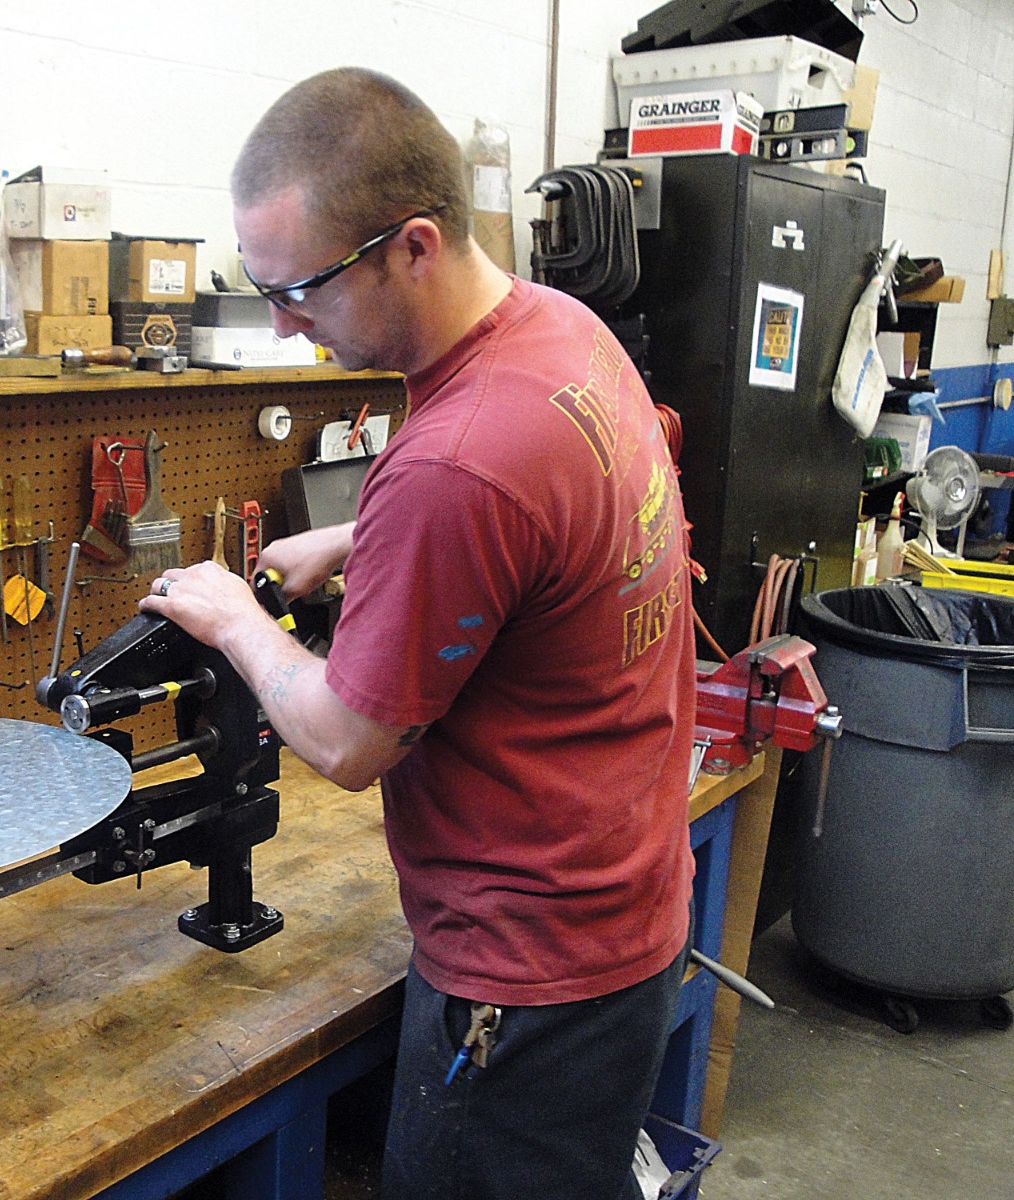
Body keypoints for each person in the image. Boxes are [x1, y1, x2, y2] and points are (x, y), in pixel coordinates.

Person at [139, 68, 697, 1199]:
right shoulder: (563, 331)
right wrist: (360, 539)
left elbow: (347, 743)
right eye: (261, 288)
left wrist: (237, 619)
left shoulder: (456, 462)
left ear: (413, 247)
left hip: (524, 982)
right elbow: (549, 516)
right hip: (627, 907)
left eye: (301, 289)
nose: (283, 324)